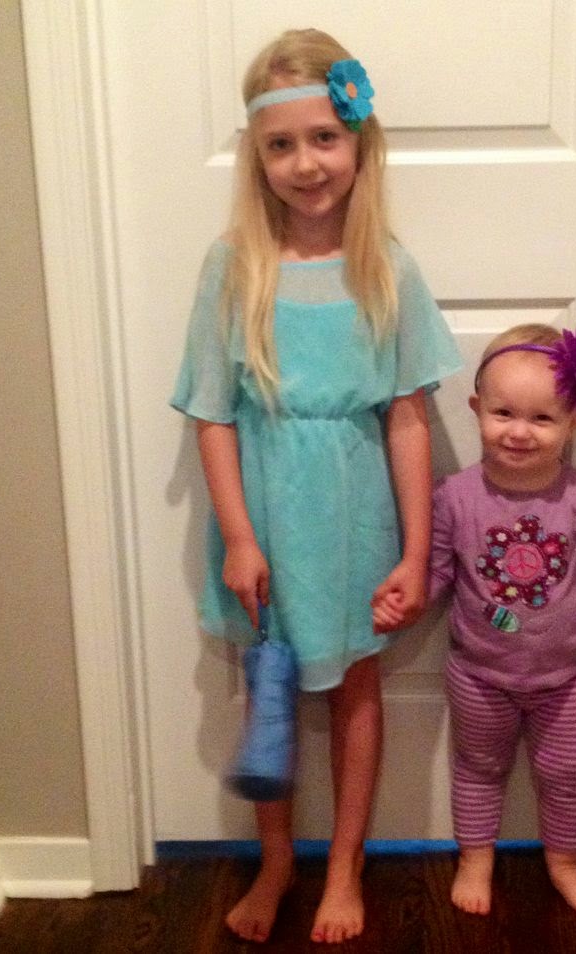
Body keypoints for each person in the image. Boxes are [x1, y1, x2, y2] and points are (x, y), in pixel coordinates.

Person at [171, 28, 461, 945]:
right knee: (269, 690)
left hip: (352, 523)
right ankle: (276, 860)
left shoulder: (388, 268)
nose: (306, 163)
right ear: (256, 157)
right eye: (281, 144)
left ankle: (343, 864)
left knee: (354, 690)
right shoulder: (233, 268)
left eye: (324, 138)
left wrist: (414, 552)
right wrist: (239, 537)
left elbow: (407, 419)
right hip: (263, 520)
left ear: (358, 142)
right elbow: (213, 414)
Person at [374, 323, 576, 918]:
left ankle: (565, 862)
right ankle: (475, 857)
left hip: (566, 680)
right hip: (478, 674)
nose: (519, 431)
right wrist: (405, 603)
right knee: (478, 768)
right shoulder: (454, 496)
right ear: (476, 410)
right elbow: (437, 574)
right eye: (503, 413)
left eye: (542, 418)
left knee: (569, 774)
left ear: (575, 421)